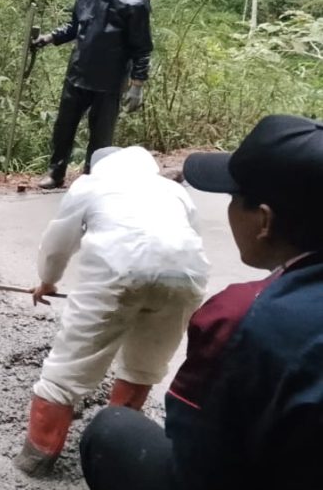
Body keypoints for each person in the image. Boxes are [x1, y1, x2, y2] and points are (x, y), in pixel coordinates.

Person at [79, 115, 323, 490]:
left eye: (233, 196)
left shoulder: (238, 315)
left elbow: (198, 459)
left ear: (263, 220)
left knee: (111, 428)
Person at [14, 145, 209, 476]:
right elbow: (188, 240)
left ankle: (36, 462)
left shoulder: (90, 186)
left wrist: (47, 281)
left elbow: (57, 242)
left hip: (117, 274)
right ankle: (114, 456)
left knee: (67, 371)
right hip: (186, 281)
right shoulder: (174, 191)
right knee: (143, 368)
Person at [31, 0, 152, 189]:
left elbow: (141, 47)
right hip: (78, 71)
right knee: (63, 127)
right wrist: (50, 38)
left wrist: (137, 84)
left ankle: (92, 179)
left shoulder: (136, 2)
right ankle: (56, 172)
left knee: (100, 137)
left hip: (109, 80)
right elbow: (76, 26)